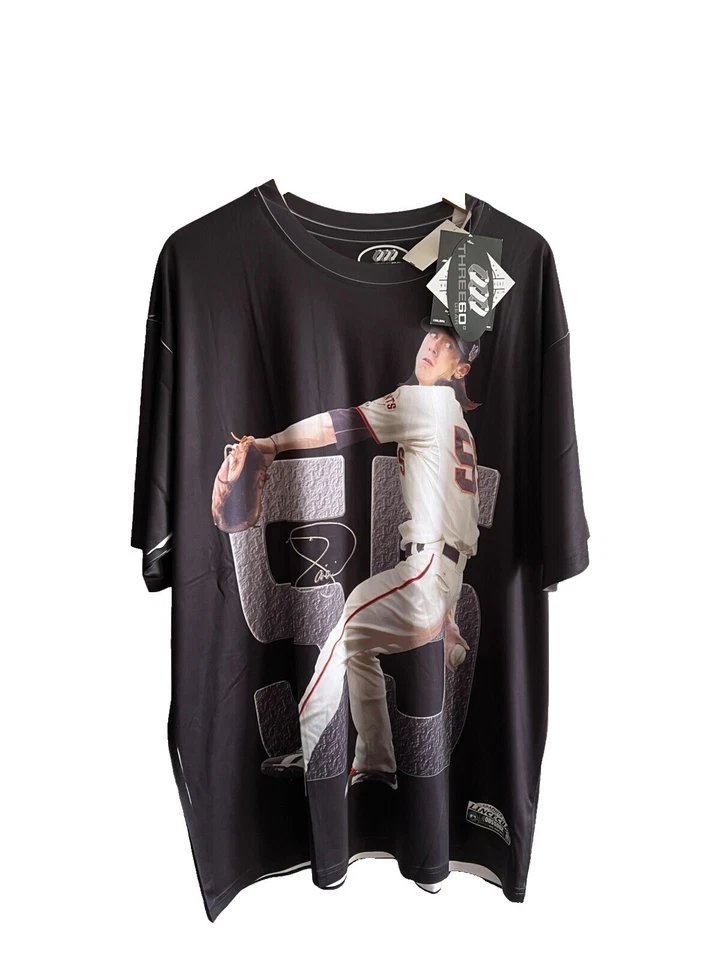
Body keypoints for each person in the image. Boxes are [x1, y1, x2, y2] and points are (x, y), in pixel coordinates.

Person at [250, 322, 482, 790]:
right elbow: (461, 524)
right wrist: (449, 613)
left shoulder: (423, 402)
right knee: (358, 645)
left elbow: (338, 424)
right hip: (441, 573)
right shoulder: (456, 420)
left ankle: (311, 749)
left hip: (426, 571)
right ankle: (375, 761)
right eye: (433, 336)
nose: (434, 346)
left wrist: (271, 444)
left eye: (449, 345)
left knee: (346, 630)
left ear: (460, 369)